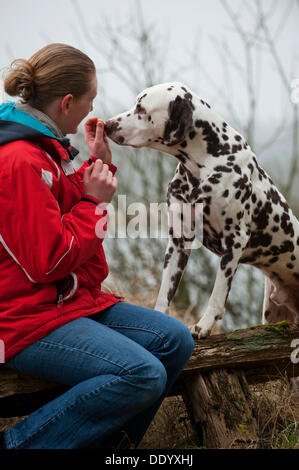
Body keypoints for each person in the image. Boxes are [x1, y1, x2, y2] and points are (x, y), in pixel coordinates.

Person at [0, 43, 194, 449]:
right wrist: (95, 202)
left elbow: (61, 209)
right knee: (142, 374)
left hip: (67, 303)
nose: (93, 110)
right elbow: (47, 262)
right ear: (67, 102)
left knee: (175, 340)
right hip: (23, 318)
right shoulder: (19, 159)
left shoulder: (43, 146)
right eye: (90, 100)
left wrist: (98, 165)